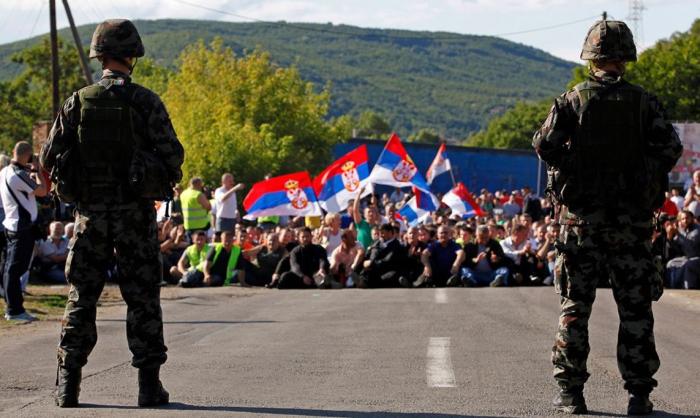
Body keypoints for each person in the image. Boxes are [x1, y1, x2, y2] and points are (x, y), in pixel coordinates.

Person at [533, 20, 682, 415]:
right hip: (631, 224)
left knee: (574, 308)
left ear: (591, 56)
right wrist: (641, 172)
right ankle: (638, 394)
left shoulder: (572, 100)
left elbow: (544, 144)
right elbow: (670, 148)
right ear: (626, 57)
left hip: (581, 223)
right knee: (635, 309)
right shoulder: (644, 102)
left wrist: (575, 167)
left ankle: (570, 393)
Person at [41, 19, 184, 408]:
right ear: (132, 55)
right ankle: (148, 387)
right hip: (135, 217)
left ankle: (68, 386)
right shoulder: (146, 101)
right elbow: (173, 156)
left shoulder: (78, 101)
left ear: (99, 55)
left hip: (90, 217)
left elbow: (49, 157)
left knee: (81, 297)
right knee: (142, 299)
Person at [1, 141, 47, 321]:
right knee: (15, 270)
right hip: (22, 228)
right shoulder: (18, 174)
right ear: (28, 155)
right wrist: (37, 171)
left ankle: (12, 306)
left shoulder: (5, 171)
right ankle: (14, 310)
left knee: (8, 268)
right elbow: (42, 191)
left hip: (11, 225)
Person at [357, 223, 407, 288]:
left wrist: (372, 263)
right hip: (373, 269)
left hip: (387, 270)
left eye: (383, 233)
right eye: (380, 233)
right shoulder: (376, 243)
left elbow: (387, 260)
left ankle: (367, 282)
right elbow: (368, 254)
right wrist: (365, 262)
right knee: (364, 272)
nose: (381, 235)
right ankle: (361, 280)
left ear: (390, 233)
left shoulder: (397, 246)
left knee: (390, 276)